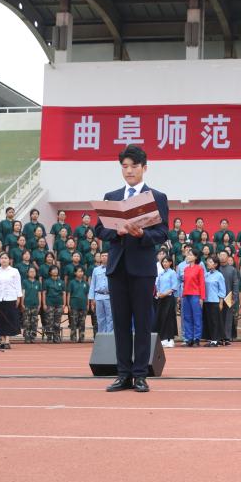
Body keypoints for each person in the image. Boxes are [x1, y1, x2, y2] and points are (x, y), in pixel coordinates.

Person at [94, 145, 170, 392]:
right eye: (125, 166)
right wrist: (116, 231)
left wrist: (142, 235)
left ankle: (140, 375)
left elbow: (162, 232)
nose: (129, 171)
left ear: (144, 168)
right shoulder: (112, 196)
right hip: (117, 269)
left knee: (143, 322)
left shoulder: (156, 197)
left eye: (134, 166)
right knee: (121, 323)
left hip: (143, 269)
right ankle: (123, 374)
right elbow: (99, 230)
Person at [0, 251, 21, 350]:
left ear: (9, 260)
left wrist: (18, 297)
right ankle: (2, 341)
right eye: (2, 258)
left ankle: (7, 341)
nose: (4, 260)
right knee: (0, 320)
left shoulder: (14, 271)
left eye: (6, 258)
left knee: (9, 319)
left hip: (11, 298)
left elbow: (18, 285)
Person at [180, 249, 205, 346]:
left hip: (195, 295)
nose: (188, 256)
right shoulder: (186, 269)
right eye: (188, 254)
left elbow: (202, 284)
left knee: (197, 317)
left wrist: (202, 297)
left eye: (190, 255)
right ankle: (189, 338)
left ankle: (197, 338)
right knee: (187, 317)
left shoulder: (199, 268)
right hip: (186, 295)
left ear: (196, 257)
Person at [155, 255, 179, 347]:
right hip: (161, 298)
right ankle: (164, 339)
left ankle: (170, 339)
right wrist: (158, 293)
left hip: (169, 298)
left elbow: (174, 287)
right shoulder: (161, 273)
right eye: (163, 262)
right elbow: (157, 285)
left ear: (170, 263)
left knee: (169, 318)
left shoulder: (172, 273)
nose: (164, 263)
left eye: (166, 262)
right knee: (161, 318)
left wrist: (164, 294)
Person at [202, 256, 227, 347]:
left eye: (210, 262)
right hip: (206, 301)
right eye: (208, 261)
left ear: (216, 264)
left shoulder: (219, 275)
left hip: (215, 301)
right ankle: (211, 339)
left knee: (215, 321)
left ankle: (215, 340)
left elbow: (222, 290)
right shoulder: (206, 275)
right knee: (208, 321)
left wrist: (221, 302)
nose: (208, 263)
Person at [89, 252, 112, 334]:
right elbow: (92, 284)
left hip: (109, 296)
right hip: (98, 296)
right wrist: (92, 298)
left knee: (110, 318)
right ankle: (102, 335)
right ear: (100, 258)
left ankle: (109, 336)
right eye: (103, 256)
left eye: (106, 256)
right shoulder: (96, 270)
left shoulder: (113, 268)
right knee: (100, 318)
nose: (104, 257)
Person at [66, 266, 90, 342]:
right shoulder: (72, 282)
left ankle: (81, 338)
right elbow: (69, 294)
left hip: (83, 305)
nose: (81, 273)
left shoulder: (85, 283)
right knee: (73, 322)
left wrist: (88, 304)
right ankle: (73, 338)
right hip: (74, 304)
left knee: (82, 322)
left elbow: (87, 295)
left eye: (82, 271)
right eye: (79, 271)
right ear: (75, 273)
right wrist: (68, 304)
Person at [20, 265, 43, 344]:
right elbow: (23, 293)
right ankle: (27, 337)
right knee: (26, 322)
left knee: (34, 322)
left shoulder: (38, 283)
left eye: (34, 271)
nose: (32, 273)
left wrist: (39, 304)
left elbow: (39, 294)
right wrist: (22, 303)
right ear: (27, 273)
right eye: (30, 271)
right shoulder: (25, 282)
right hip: (26, 304)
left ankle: (33, 337)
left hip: (35, 305)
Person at [43, 266, 65, 343]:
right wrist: (44, 304)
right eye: (53, 270)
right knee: (49, 321)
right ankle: (49, 337)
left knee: (57, 321)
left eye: (56, 270)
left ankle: (56, 337)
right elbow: (44, 293)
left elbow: (64, 293)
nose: (55, 271)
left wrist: (64, 304)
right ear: (50, 272)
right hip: (49, 303)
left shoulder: (61, 282)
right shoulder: (47, 282)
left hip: (59, 303)